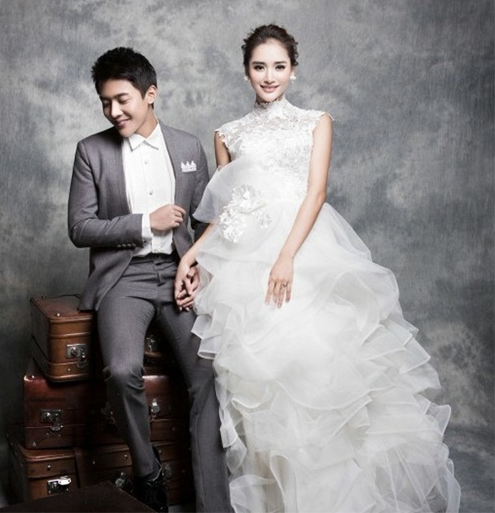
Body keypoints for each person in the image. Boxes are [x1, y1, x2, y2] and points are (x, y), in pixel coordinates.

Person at [174, 25, 461, 513]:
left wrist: (286, 257)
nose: (269, 76)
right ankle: (279, 496)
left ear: (294, 70)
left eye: (279, 66)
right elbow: (227, 211)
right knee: (258, 381)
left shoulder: (316, 122)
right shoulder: (228, 134)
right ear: (246, 72)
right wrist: (191, 254)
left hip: (305, 251)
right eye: (259, 67)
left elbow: (316, 193)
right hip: (244, 263)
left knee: (311, 365)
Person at [67, 47, 231, 513]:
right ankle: (148, 473)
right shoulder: (91, 151)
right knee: (121, 371)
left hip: (179, 275)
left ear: (150, 93)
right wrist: (144, 223)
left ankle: (213, 504)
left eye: (122, 99)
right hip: (124, 279)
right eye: (105, 102)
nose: (113, 111)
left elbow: (206, 222)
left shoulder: (188, 147)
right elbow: (79, 227)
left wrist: (195, 266)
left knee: (207, 375)